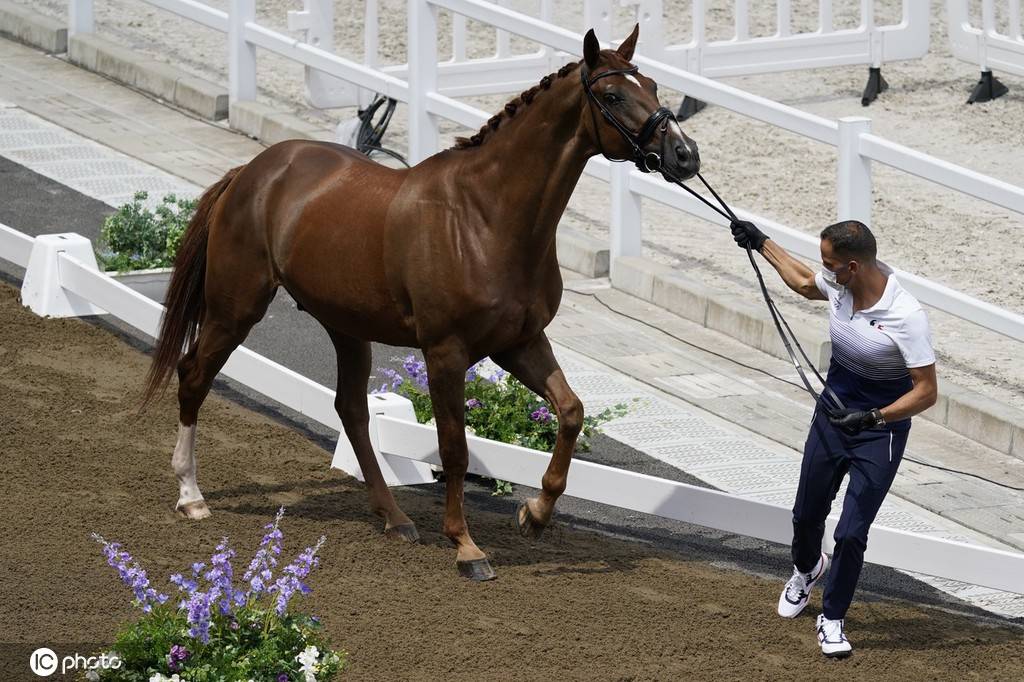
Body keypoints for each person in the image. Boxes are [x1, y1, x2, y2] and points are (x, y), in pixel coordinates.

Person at [730, 218, 938, 658]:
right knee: (807, 514)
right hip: (831, 418)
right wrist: (761, 242)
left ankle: (833, 617)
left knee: (851, 532)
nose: (825, 270)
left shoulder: (906, 317)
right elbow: (806, 282)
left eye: (831, 264)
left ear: (855, 266)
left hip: (877, 434)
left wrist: (875, 417)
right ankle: (807, 569)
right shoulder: (840, 287)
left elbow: (926, 392)